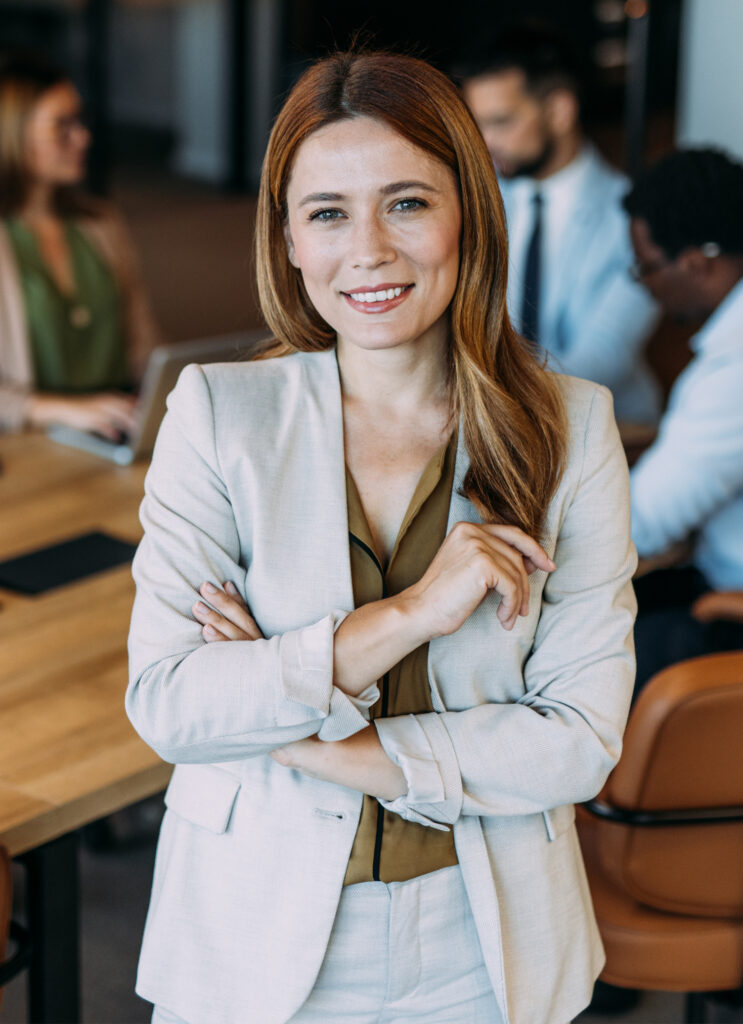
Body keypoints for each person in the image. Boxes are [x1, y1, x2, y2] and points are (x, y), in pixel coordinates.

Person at [126, 50, 637, 1024]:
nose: (367, 249)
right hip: (253, 934)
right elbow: (171, 704)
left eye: (405, 202)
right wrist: (407, 614)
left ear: (467, 214)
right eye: (327, 212)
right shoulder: (218, 417)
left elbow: (575, 743)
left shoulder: (571, 430)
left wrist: (320, 740)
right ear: (287, 241)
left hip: (481, 945)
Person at [457, 23, 660, 426]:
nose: (485, 141)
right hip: (489, 425)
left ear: (559, 110)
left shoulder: (634, 215)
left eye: (500, 122)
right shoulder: (471, 201)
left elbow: (604, 356)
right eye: (478, 124)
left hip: (613, 429)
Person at [624, 148, 743, 691]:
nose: (643, 285)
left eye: (646, 266)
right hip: (716, 568)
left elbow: (642, 523)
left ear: (696, 261)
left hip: (729, 608)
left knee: (592, 652)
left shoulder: (732, 374)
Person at [0, 53, 161, 436]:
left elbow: (144, 343)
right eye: (62, 126)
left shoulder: (101, 223)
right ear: (13, 133)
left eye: (80, 121)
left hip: (116, 425)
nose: (83, 137)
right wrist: (61, 410)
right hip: (33, 441)